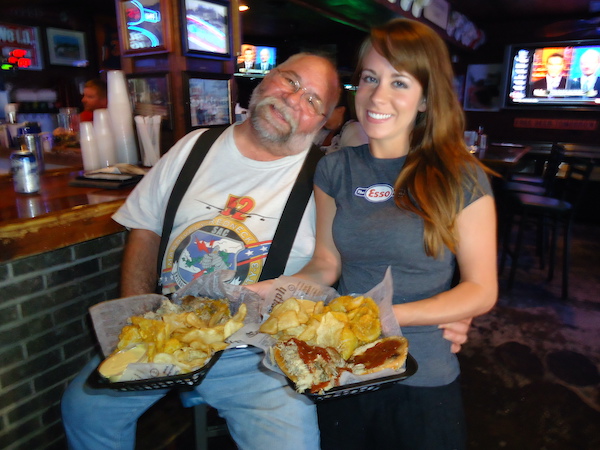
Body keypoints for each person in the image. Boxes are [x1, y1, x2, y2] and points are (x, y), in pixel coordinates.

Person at [61, 52, 342, 450]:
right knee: (86, 408)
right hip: (166, 331)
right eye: (290, 81)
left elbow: (337, 263)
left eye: (313, 100)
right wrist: (136, 315)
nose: (295, 99)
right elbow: (145, 229)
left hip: (257, 357)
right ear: (265, 80)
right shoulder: (195, 146)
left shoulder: (326, 177)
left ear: (325, 121)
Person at [250, 18, 498, 450]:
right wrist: (270, 291)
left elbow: (481, 289)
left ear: (425, 98)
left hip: (423, 370)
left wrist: (386, 315)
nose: (378, 96)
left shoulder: (461, 176)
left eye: (399, 82)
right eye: (369, 78)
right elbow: (327, 265)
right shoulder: (334, 168)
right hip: (345, 368)